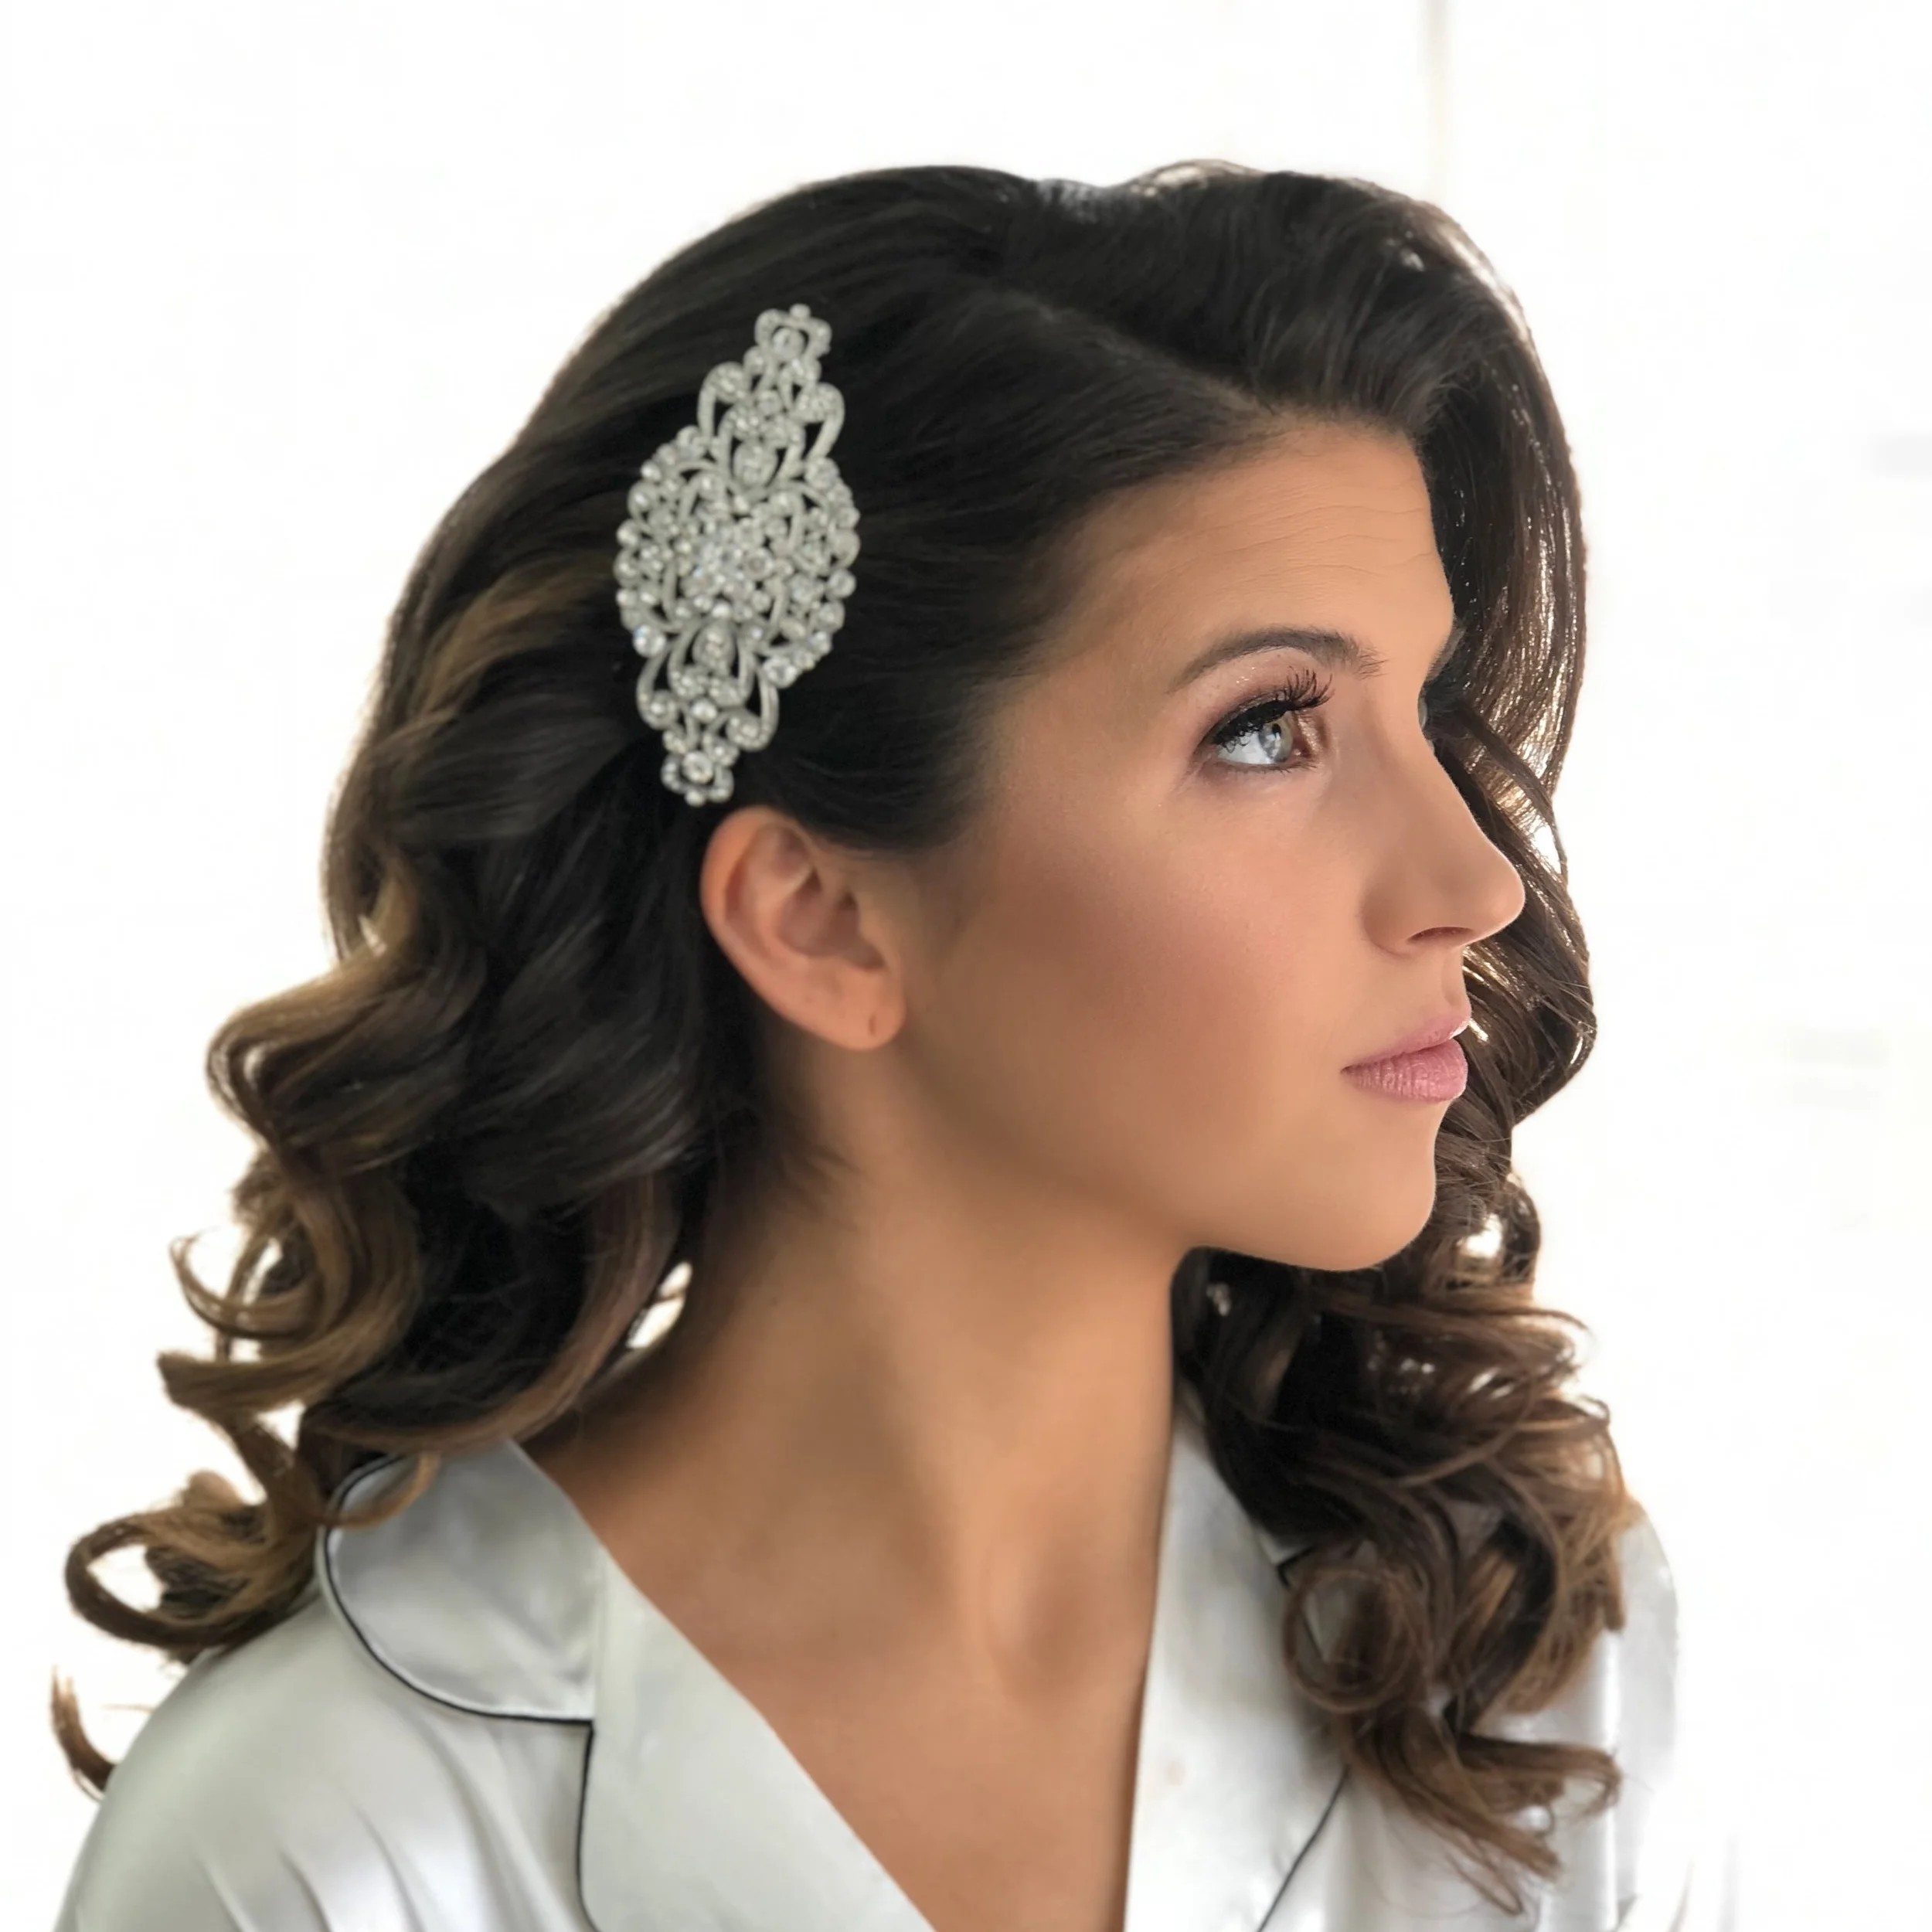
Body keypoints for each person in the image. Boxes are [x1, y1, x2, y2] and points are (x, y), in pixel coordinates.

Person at [49, 160, 1733, 1931]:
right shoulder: (326, 1836)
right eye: (1266, 730)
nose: (1469, 878)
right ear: (820, 916)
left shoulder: (1537, 1676)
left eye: (1421, 705)